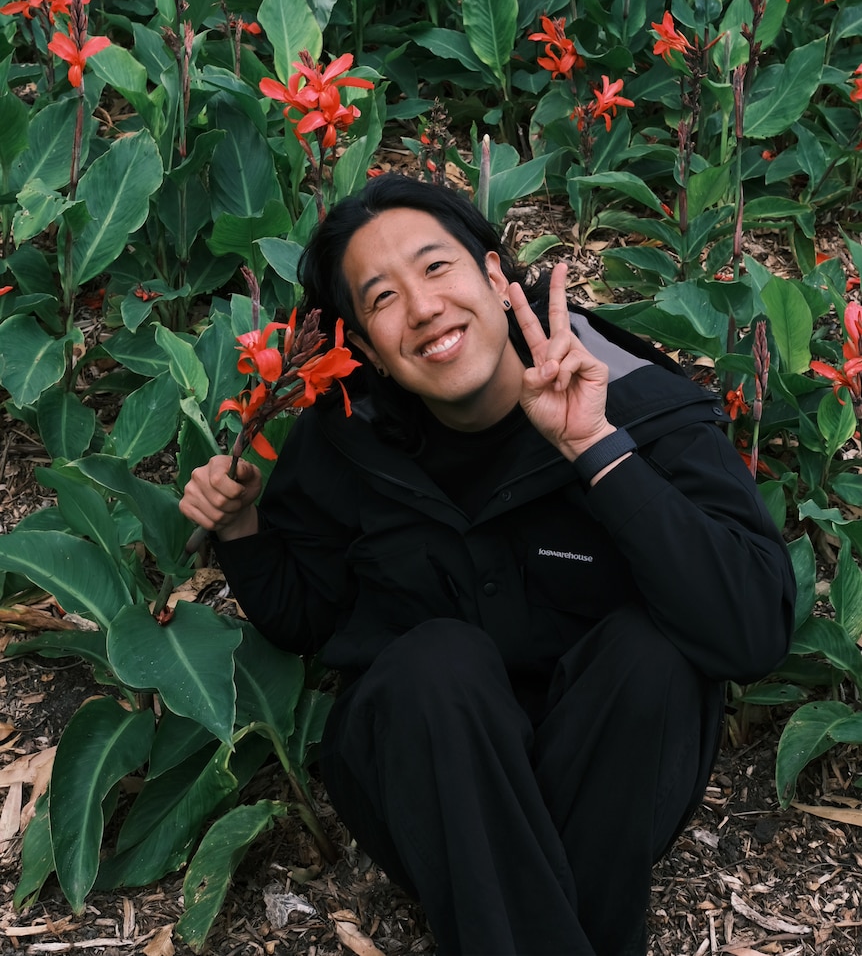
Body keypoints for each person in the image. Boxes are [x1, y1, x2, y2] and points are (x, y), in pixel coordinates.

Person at [180, 173, 795, 956]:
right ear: (365, 346)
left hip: (611, 781)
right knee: (433, 663)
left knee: (651, 655)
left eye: (437, 268)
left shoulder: (633, 397)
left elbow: (752, 628)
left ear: (497, 276)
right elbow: (309, 616)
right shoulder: (346, 436)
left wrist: (597, 451)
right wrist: (244, 528)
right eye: (382, 298)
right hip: (435, 791)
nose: (425, 307)